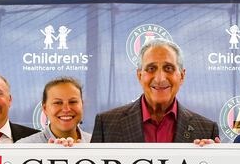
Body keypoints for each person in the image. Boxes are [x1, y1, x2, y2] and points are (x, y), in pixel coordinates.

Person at [91, 39, 219, 143]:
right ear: (139, 75)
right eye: (151, 68)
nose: (160, 78)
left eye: (168, 68)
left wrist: (215, 157)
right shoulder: (106, 124)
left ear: (182, 76)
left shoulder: (206, 130)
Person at [18, 76, 92, 144]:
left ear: (82, 105)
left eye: (73, 102)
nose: (66, 109)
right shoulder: (23, 147)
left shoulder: (95, 143)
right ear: (45, 109)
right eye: (58, 103)